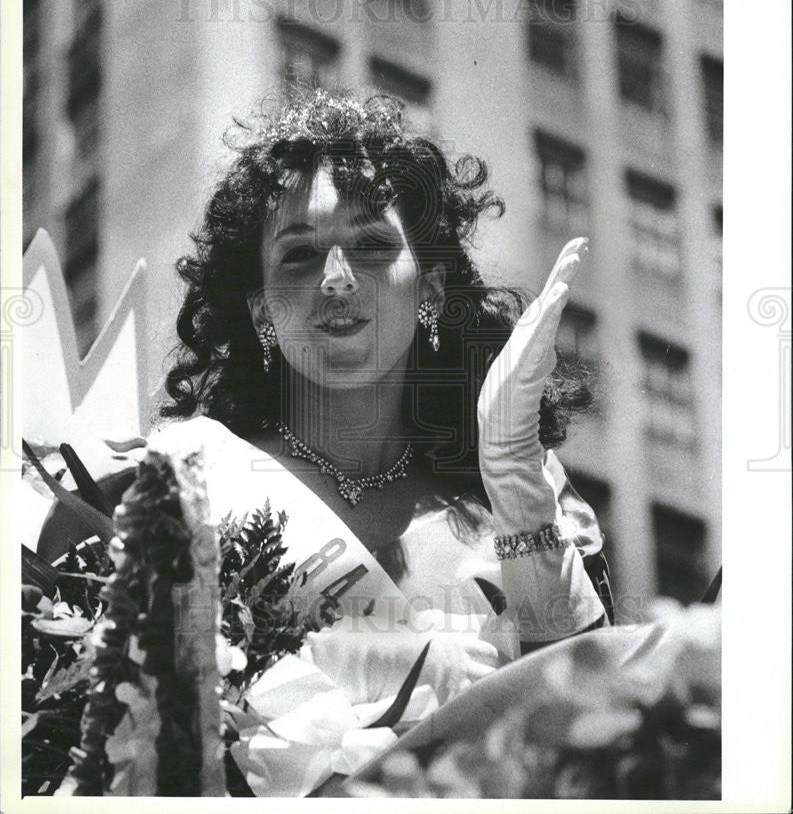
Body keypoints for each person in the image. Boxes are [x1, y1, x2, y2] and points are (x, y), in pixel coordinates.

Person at [39, 86, 610, 705]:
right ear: (260, 309)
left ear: (432, 291)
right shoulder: (174, 480)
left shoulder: (515, 498)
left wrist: (513, 475)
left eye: (370, 247)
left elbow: (588, 718)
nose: (336, 280)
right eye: (301, 255)